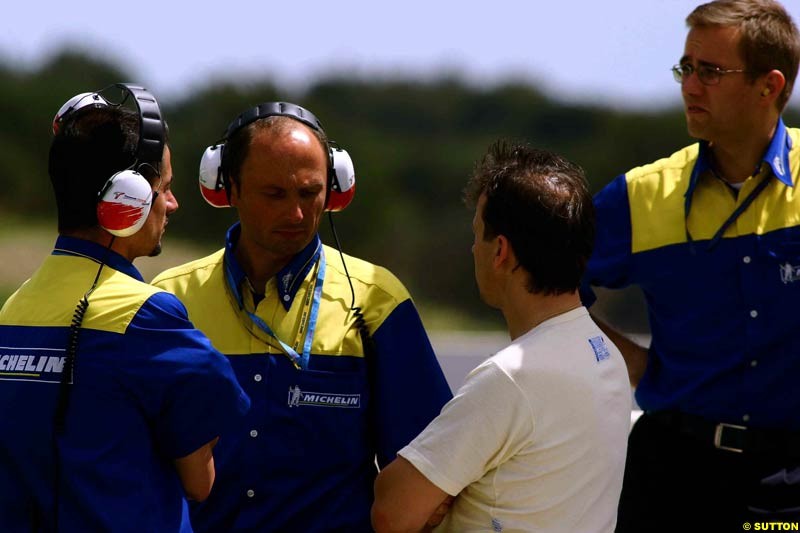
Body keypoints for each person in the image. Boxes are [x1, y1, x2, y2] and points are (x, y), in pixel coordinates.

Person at [152, 101, 452, 532]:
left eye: (310, 193)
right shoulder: (168, 302)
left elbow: (432, 474)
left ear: (334, 189)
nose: (295, 214)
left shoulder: (378, 302)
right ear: (228, 188)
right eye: (274, 194)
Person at [581, 0, 800, 529]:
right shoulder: (639, 195)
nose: (690, 86)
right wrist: (632, 363)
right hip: (673, 472)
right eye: (686, 68)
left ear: (769, 86)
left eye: (710, 72)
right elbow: (539, 282)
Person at [0, 85, 250, 532]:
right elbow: (200, 482)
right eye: (165, 188)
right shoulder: (152, 318)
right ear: (126, 199)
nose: (172, 204)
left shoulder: (14, 308)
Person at [371, 141, 632, 532]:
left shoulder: (510, 378)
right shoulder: (605, 354)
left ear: (500, 252)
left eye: (478, 233)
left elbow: (392, 512)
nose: (472, 247)